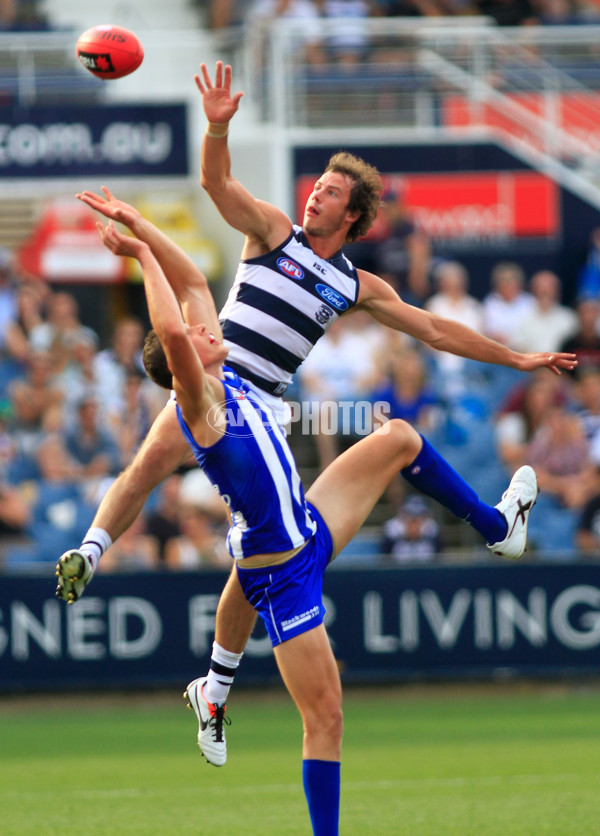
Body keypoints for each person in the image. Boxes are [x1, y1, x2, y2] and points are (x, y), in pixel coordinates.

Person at [56, 61, 575, 764]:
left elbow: (433, 330)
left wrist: (515, 360)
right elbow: (215, 183)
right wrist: (216, 126)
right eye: (316, 186)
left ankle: (212, 685)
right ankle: (96, 554)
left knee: (255, 540)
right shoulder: (272, 232)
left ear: (352, 216)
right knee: (157, 472)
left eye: (329, 193)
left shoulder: (356, 283)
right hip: (213, 384)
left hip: (255, 407)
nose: (314, 197)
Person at [60, 220, 541, 835]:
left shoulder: (232, 377)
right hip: (282, 574)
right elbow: (176, 326)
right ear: (185, 363)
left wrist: (140, 230)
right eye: (200, 336)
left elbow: (187, 279)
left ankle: (497, 528)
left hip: (306, 529)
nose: (212, 330)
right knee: (327, 719)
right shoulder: (200, 408)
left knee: (396, 436)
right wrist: (136, 259)